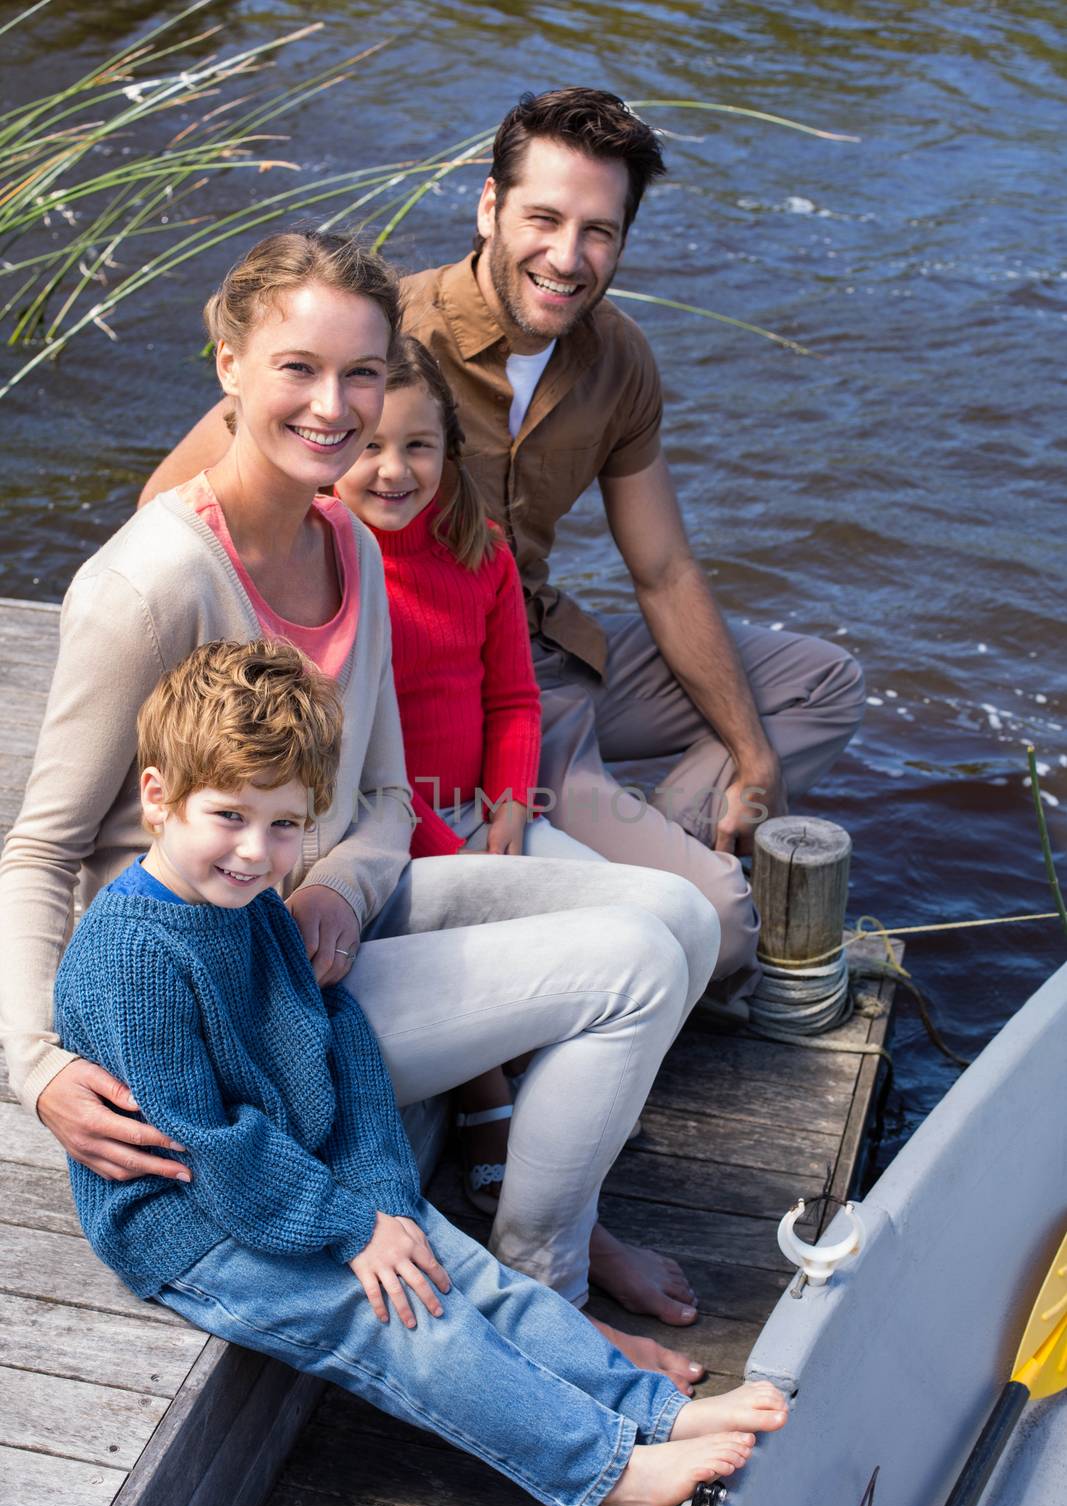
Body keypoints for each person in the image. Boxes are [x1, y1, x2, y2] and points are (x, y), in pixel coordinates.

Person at [0, 229, 724, 1388]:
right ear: (228, 362)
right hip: (228, 1004)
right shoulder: (148, 586)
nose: (334, 406)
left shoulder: (347, 539)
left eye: (361, 372)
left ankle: (544, 1225)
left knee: (683, 918)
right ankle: (548, 1286)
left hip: (332, 929)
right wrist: (34, 1064)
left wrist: (340, 883)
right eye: (297, 367)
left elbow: (380, 795)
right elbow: (39, 847)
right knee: (636, 960)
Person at [139, 87, 867, 1021]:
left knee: (820, 683)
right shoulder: (377, 339)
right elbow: (170, 502)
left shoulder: (619, 359)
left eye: (599, 231)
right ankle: (606, 839)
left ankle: (645, 821)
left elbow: (663, 570)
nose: (568, 258)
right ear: (488, 207)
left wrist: (751, 755)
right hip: (419, 694)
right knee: (722, 928)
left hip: (536, 659)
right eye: (544, 218)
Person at [54, 637, 789, 1506]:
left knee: (462, 1267)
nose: (255, 853)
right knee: (403, 1321)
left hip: (296, 1172)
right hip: (191, 1222)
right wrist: (350, 1224)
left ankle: (654, 1408)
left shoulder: (250, 911)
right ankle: (609, 1473)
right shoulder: (133, 953)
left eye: (284, 825)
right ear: (158, 796)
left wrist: (379, 1194)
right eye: (229, 817)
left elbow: (339, 1042)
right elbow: (204, 1145)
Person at [338, 332, 604, 1210]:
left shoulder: (479, 549)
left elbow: (513, 701)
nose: (392, 470)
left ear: (451, 449)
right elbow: (366, 736)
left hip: (480, 811)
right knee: (464, 932)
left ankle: (566, 1077)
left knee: (622, 915)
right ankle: (489, 1098)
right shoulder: (334, 559)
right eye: (370, 445)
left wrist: (507, 809)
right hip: (385, 825)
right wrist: (450, 848)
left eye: (417, 445)